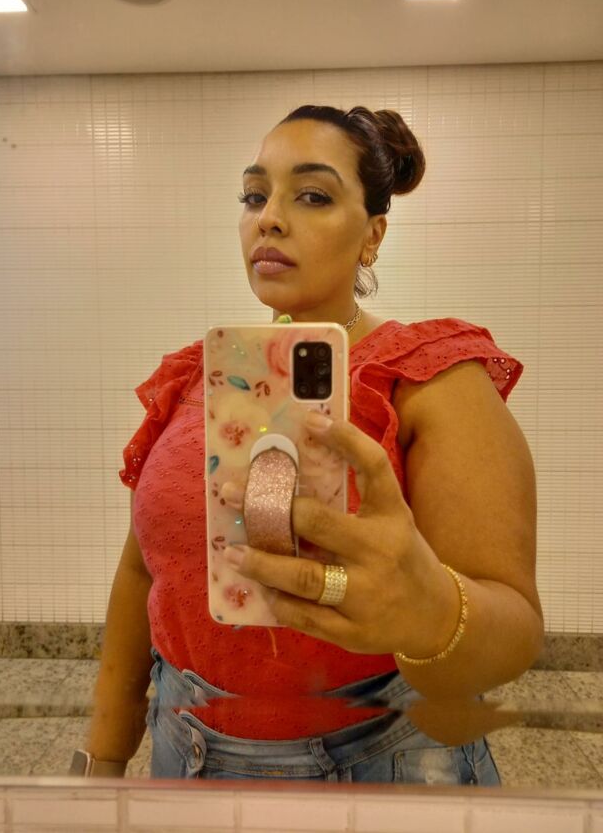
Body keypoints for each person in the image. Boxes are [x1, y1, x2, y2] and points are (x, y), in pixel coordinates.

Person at [78, 105, 543, 783]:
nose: (268, 217)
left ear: (372, 235)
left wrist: (432, 613)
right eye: (254, 195)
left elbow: (516, 629)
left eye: (313, 196)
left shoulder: (431, 380)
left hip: (383, 761)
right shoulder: (202, 379)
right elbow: (143, 574)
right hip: (183, 754)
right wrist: (102, 758)